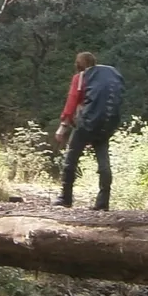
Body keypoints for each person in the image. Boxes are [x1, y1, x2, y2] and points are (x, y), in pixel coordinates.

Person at [54, 51, 123, 210]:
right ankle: (103, 202)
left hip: (86, 124)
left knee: (71, 160)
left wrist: (63, 126)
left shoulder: (81, 78)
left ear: (79, 64)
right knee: (103, 163)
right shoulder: (107, 77)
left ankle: (66, 198)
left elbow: (72, 101)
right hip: (106, 124)